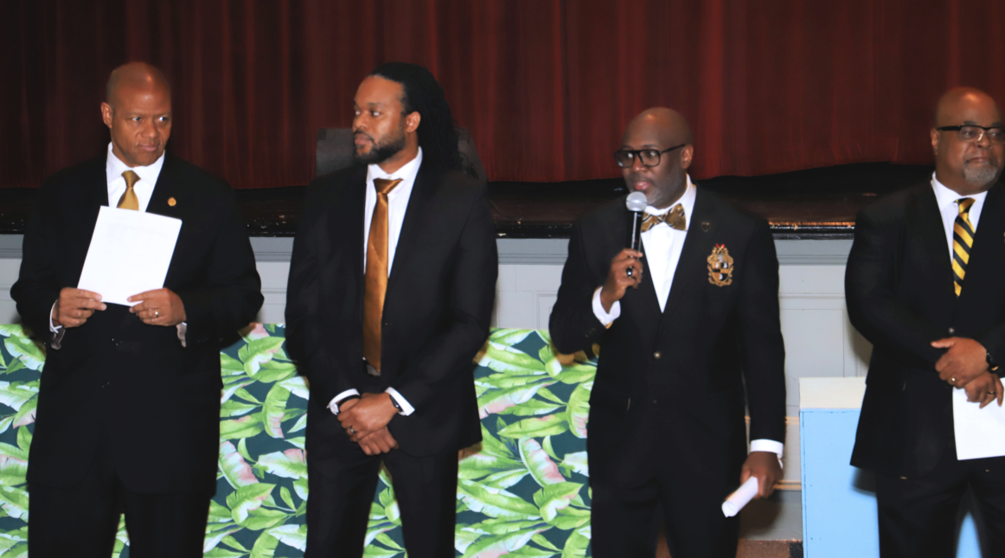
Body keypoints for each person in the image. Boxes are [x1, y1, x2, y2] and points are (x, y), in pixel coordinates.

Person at [11, 62, 263, 557]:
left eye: (164, 120)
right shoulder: (61, 192)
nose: (153, 134)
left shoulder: (208, 195)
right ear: (107, 114)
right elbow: (29, 288)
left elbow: (243, 293)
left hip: (168, 435)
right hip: (74, 436)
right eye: (137, 119)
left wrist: (184, 307)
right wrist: (55, 309)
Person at [549, 107, 786, 557]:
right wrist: (605, 298)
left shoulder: (740, 230)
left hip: (707, 446)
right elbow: (564, 333)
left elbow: (762, 348)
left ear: (686, 155)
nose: (636, 168)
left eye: (650, 155)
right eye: (627, 156)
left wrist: (767, 445)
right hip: (621, 443)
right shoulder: (595, 229)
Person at [285, 62, 497, 557]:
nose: (359, 122)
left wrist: (392, 402)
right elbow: (303, 317)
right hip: (341, 415)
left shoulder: (460, 199)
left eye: (374, 112)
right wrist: (347, 401)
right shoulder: (324, 196)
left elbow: (468, 323)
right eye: (357, 111)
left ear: (411, 120)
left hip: (423, 413)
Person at [846, 87, 1005, 557]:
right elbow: (868, 304)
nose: (984, 143)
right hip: (914, 430)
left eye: (995, 133)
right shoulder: (885, 217)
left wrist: (985, 352)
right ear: (933, 139)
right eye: (968, 131)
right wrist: (953, 358)